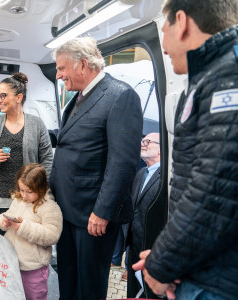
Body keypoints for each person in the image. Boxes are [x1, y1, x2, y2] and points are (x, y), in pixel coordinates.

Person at [132, 1, 238, 300]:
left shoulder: (227, 76)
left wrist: (161, 264)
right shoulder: (210, 75)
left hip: (218, 281)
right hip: (201, 264)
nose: (163, 41)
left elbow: (215, 193)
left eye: (164, 28)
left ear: (182, 21)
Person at [49, 36, 143, 300]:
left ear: (81, 65)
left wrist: (102, 212)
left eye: (61, 68)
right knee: (67, 276)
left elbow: (122, 162)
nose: (58, 75)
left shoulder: (120, 96)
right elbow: (77, 136)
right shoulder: (78, 97)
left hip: (92, 215)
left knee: (89, 285)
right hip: (67, 209)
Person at [0, 72, 53, 233]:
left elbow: (47, 159)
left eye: (3, 95)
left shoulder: (36, 124)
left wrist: (40, 187)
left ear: (19, 97)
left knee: (23, 245)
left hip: (27, 200)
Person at [0, 163, 63, 300]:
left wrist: (23, 228)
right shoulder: (19, 201)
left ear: (41, 188)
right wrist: (4, 221)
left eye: (29, 191)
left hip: (34, 268)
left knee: (34, 297)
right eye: (21, 190)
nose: (24, 195)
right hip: (12, 262)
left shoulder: (50, 207)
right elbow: (7, 214)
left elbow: (52, 235)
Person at [127, 132, 161, 298]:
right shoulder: (141, 173)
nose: (143, 144)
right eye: (142, 140)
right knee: (132, 290)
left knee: (148, 293)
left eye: (148, 141)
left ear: (161, 149)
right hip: (134, 246)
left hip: (152, 247)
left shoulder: (168, 177)